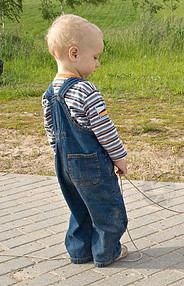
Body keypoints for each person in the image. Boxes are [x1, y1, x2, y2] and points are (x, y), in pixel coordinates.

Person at [42, 14, 128, 267]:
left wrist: (62, 157)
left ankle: (79, 253)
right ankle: (106, 252)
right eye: (95, 57)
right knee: (107, 209)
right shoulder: (86, 90)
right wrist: (119, 157)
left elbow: (51, 133)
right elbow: (105, 130)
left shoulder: (49, 93)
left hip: (64, 165)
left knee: (79, 208)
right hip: (92, 164)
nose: (98, 64)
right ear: (74, 53)